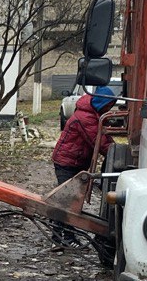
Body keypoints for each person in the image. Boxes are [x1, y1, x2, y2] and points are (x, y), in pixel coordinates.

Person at [50, 85, 117, 248]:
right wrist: (117, 152)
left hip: (75, 161)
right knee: (68, 201)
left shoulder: (91, 114)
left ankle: (61, 237)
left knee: (68, 200)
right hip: (67, 162)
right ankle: (63, 238)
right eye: (108, 106)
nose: (109, 109)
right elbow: (100, 142)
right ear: (101, 104)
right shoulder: (85, 117)